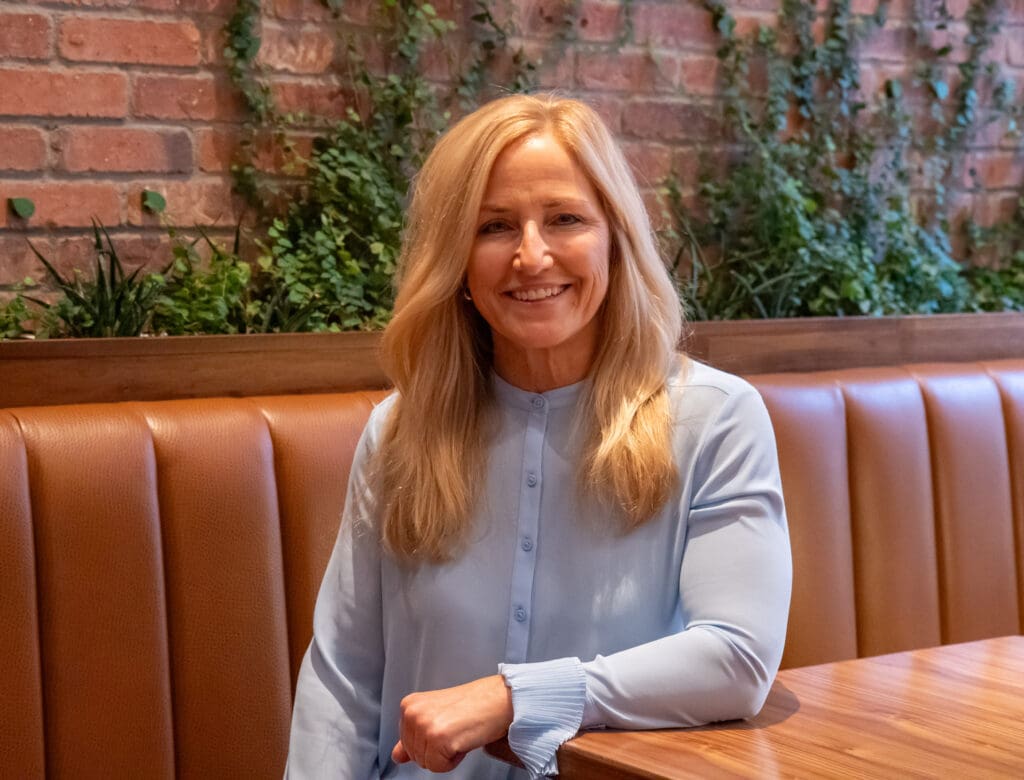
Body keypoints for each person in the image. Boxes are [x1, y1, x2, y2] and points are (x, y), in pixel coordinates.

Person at [285, 92, 792, 779]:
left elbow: (735, 657)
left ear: (615, 237)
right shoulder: (400, 430)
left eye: (565, 219)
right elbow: (342, 680)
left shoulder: (716, 418)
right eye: (494, 226)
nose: (531, 255)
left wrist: (512, 698)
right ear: (457, 260)